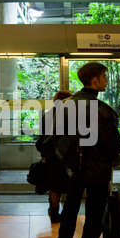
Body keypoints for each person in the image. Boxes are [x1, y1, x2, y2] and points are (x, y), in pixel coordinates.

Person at [55, 62, 120, 238]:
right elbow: (114, 146)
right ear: (95, 80)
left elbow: (55, 138)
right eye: (104, 76)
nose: (106, 80)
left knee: (70, 208)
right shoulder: (103, 110)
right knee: (94, 215)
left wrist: (69, 161)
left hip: (74, 170)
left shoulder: (65, 104)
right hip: (98, 173)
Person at [36, 90, 73, 223]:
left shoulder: (47, 116)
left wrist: (43, 154)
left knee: (54, 185)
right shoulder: (72, 116)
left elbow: (42, 137)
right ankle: (68, 213)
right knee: (71, 184)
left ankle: (54, 211)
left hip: (51, 156)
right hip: (69, 156)